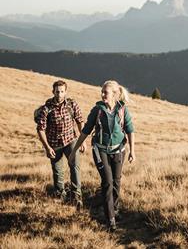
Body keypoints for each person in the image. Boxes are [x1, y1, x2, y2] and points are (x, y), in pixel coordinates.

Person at [70, 80, 135, 231]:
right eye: (102, 91)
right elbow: (85, 131)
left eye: (106, 92)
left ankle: (115, 209)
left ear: (115, 94)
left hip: (119, 150)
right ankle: (110, 219)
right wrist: (74, 151)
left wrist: (132, 151)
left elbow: (130, 130)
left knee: (117, 182)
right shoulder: (97, 110)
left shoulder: (122, 110)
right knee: (107, 182)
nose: (103, 94)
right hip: (100, 151)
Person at [35, 80, 86, 208]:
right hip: (54, 144)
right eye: (57, 91)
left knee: (75, 167)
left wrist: (83, 141)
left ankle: (76, 196)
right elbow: (40, 129)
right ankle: (60, 195)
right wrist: (47, 147)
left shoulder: (72, 104)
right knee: (58, 171)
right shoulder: (46, 109)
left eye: (62, 91)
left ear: (65, 92)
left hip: (71, 141)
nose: (59, 94)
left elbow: (80, 121)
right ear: (53, 92)